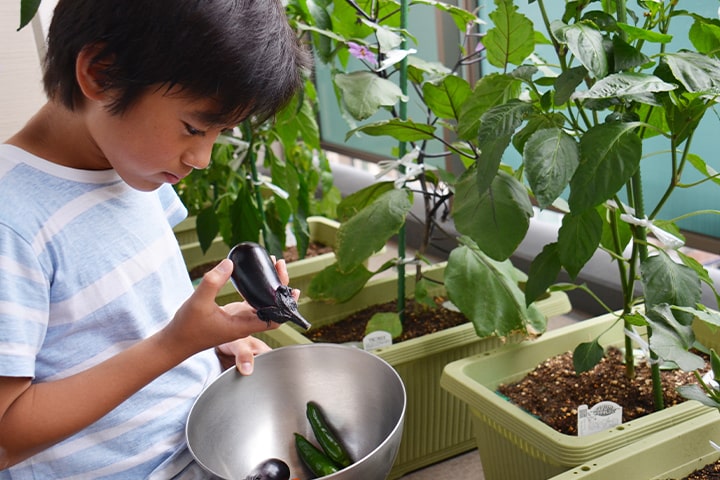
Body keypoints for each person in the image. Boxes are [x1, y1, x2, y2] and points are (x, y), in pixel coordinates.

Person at [0, 0, 311, 477]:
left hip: (201, 444)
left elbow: (133, 316)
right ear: (101, 74)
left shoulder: (131, 167)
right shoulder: (11, 221)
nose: (202, 158)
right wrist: (174, 345)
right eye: (194, 127)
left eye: (220, 133)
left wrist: (211, 342)